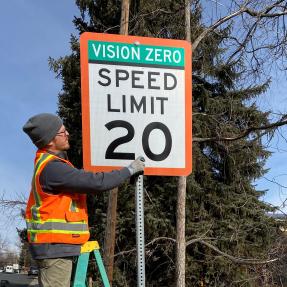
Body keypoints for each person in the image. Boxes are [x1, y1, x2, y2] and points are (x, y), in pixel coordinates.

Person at [22, 113, 145, 287]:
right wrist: (129, 170)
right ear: (50, 140)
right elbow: (96, 182)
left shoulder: (52, 164)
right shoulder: (53, 168)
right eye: (62, 132)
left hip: (52, 249)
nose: (67, 134)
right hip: (53, 250)